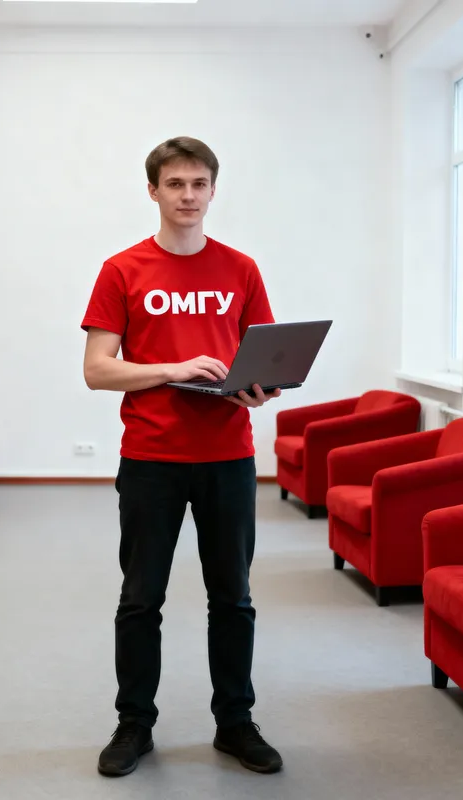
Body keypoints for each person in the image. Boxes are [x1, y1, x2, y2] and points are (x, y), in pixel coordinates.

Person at [81, 136, 283, 777]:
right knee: (141, 598)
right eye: (175, 185)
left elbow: (265, 361)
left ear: (213, 190)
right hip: (152, 458)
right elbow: (96, 370)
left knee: (234, 598)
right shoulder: (122, 270)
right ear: (153, 192)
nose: (188, 196)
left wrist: (258, 391)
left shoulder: (242, 269)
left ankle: (236, 723)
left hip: (229, 456)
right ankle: (133, 725)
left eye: (199, 184)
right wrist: (174, 368)